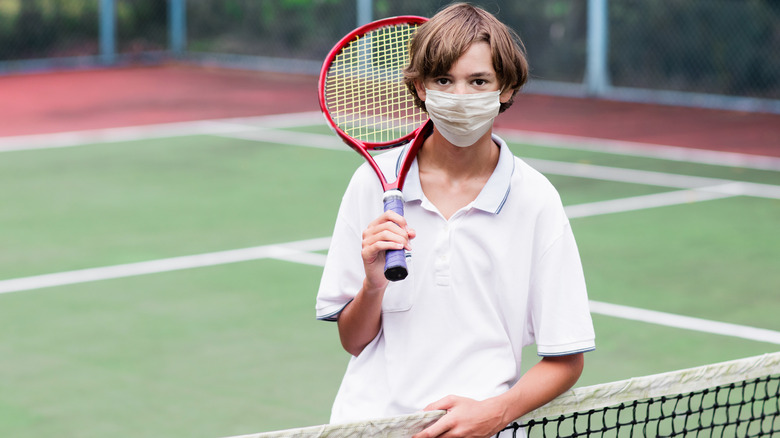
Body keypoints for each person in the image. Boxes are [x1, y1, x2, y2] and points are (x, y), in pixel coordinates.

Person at [316, 3, 595, 437]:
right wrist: (373, 285)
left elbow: (566, 358)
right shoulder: (372, 185)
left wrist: (497, 412)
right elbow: (353, 341)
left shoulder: (536, 199)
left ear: (506, 88)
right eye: (444, 80)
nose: (460, 96)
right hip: (371, 427)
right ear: (420, 87)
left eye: (479, 81)